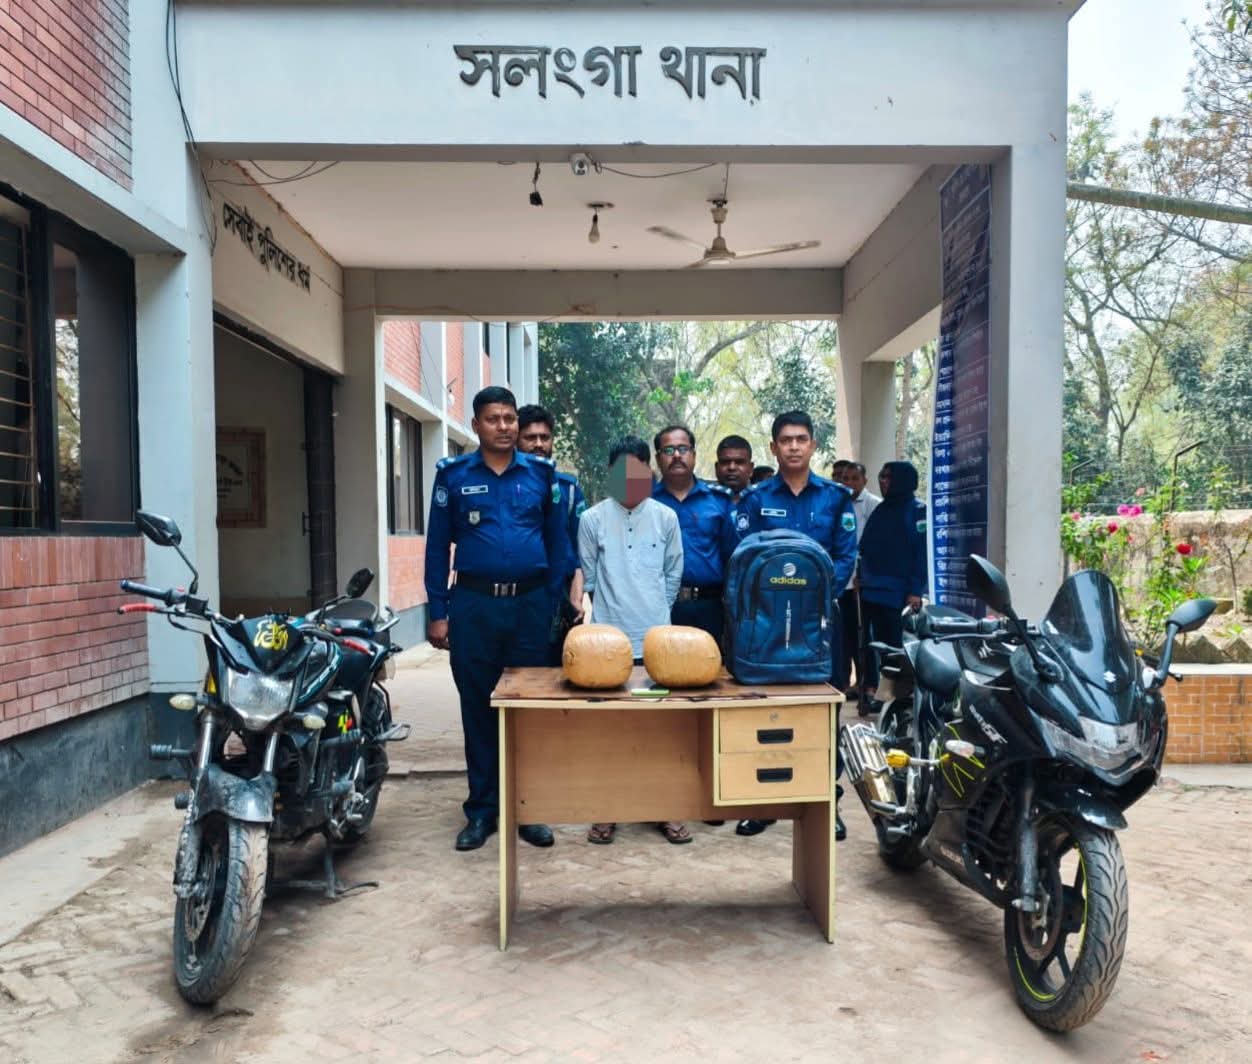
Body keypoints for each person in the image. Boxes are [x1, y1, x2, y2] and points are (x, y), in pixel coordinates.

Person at [425, 386, 568, 853]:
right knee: (479, 706)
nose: (504, 426)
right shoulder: (453, 476)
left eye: (509, 418)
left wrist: (553, 604)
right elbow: (436, 548)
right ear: (476, 425)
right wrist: (438, 612)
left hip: (530, 606)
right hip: (474, 606)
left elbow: (557, 545)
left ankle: (528, 807)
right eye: (493, 418)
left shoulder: (541, 474)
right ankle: (483, 810)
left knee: (529, 709)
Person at [733, 411, 858, 838]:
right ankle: (764, 804)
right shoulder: (756, 499)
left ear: (813, 445)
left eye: (801, 439)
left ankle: (827, 801)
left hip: (819, 623)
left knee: (823, 709)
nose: (793, 446)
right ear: (773, 447)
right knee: (766, 708)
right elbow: (744, 558)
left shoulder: (835, 498)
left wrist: (816, 600)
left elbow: (845, 556)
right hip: (767, 624)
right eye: (785, 440)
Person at [578, 436, 689, 846]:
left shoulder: (665, 518)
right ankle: (607, 810)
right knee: (609, 732)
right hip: (607, 651)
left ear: (650, 472)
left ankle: (665, 808)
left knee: (659, 730)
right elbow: (589, 580)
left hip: (657, 649)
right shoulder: (591, 519)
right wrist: (611, 623)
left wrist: (655, 615)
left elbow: (674, 573)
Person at [652, 425, 738, 643]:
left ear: (694, 455)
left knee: (710, 664)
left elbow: (732, 558)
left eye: (683, 449)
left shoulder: (718, 501)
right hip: (658, 606)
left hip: (709, 608)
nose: (677, 455)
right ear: (658, 458)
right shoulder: (646, 502)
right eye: (669, 450)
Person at [517, 404, 586, 663]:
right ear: (516, 440)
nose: (538, 444)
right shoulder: (505, 486)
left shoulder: (569, 489)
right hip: (520, 594)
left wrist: (576, 597)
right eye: (530, 437)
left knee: (558, 671)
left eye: (544, 437)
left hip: (560, 597)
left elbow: (581, 552)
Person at [858, 461, 928, 704]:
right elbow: (866, 546)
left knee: (899, 647)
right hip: (872, 591)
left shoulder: (918, 511)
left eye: (889, 477)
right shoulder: (882, 510)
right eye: (882, 476)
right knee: (879, 647)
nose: (883, 481)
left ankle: (901, 697)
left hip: (899, 594)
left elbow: (921, 554)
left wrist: (916, 590)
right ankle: (883, 693)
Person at [837, 461, 881, 709]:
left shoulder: (873, 505)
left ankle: (868, 684)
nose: (849, 483)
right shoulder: (837, 503)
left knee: (863, 638)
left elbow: (873, 545)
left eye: (854, 478)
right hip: (841, 582)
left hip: (860, 582)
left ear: (864, 481)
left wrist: (864, 575)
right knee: (843, 637)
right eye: (845, 478)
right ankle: (844, 682)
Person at [714, 435, 754, 502]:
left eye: (739, 462)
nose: (732, 467)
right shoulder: (701, 502)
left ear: (751, 469)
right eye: (725, 462)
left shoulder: (763, 500)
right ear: (716, 468)